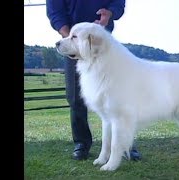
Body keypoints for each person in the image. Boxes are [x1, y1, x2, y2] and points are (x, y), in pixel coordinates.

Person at [46, 0, 141, 161]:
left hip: (103, 45)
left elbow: (118, 3)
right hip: (75, 43)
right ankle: (81, 144)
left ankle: (126, 145)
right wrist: (72, 39)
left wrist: (109, 13)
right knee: (76, 98)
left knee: (118, 99)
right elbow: (55, 13)